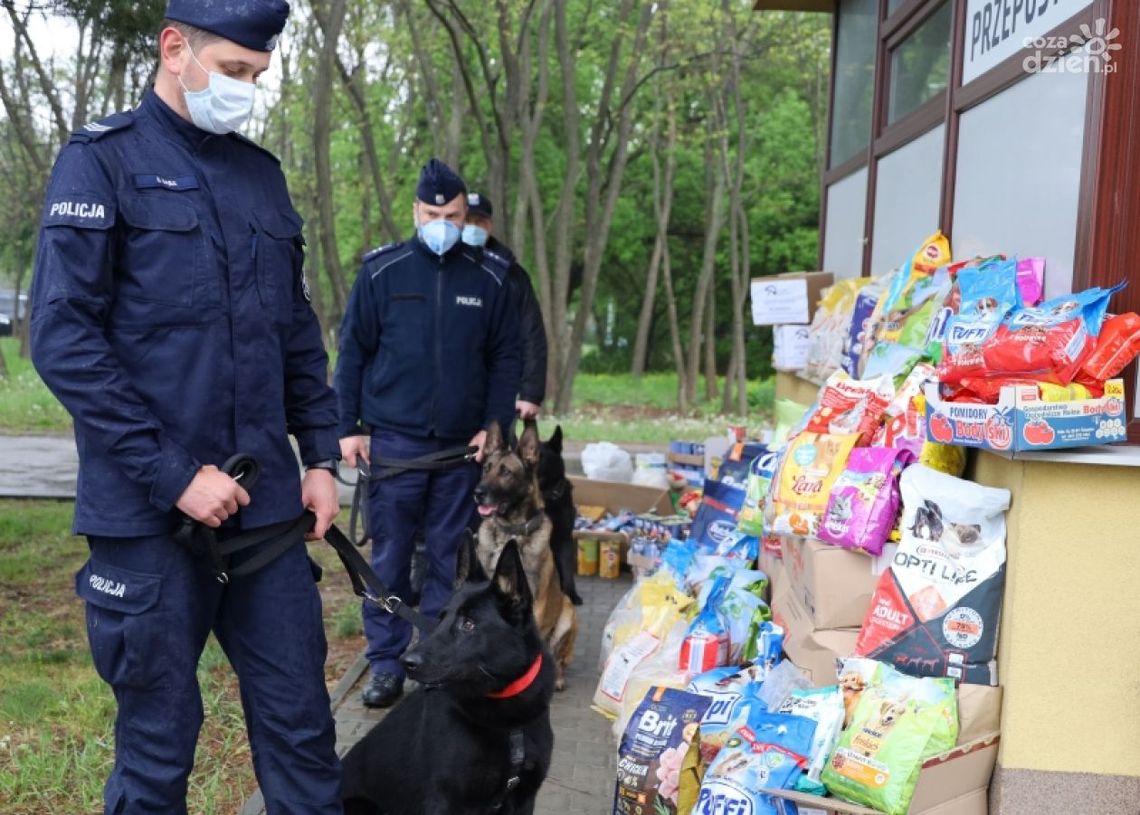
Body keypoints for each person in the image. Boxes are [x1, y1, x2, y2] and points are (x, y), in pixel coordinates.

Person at [29, 4, 343, 813]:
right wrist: (174, 475)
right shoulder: (100, 164)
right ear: (176, 48)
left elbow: (296, 333)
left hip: (268, 512)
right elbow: (63, 340)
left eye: (257, 77)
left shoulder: (262, 177)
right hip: (150, 519)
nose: (246, 90)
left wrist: (322, 457)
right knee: (157, 749)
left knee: (304, 732)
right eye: (234, 71)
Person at [335, 159, 521, 708]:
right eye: (434, 213)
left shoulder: (490, 277)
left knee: (449, 558)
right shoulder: (380, 273)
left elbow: (504, 359)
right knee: (388, 558)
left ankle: (436, 662)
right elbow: (352, 357)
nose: (443, 222)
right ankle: (386, 665)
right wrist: (347, 428)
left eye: (454, 214)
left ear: (468, 215)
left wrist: (495, 428)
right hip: (394, 446)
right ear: (416, 212)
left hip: (462, 448)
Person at [463, 192, 549, 419]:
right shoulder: (440, 270)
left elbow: (531, 333)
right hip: (453, 392)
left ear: (489, 225)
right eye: (467, 221)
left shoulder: (512, 275)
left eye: (479, 222)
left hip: (500, 390)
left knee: (497, 452)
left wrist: (531, 392)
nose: (473, 228)